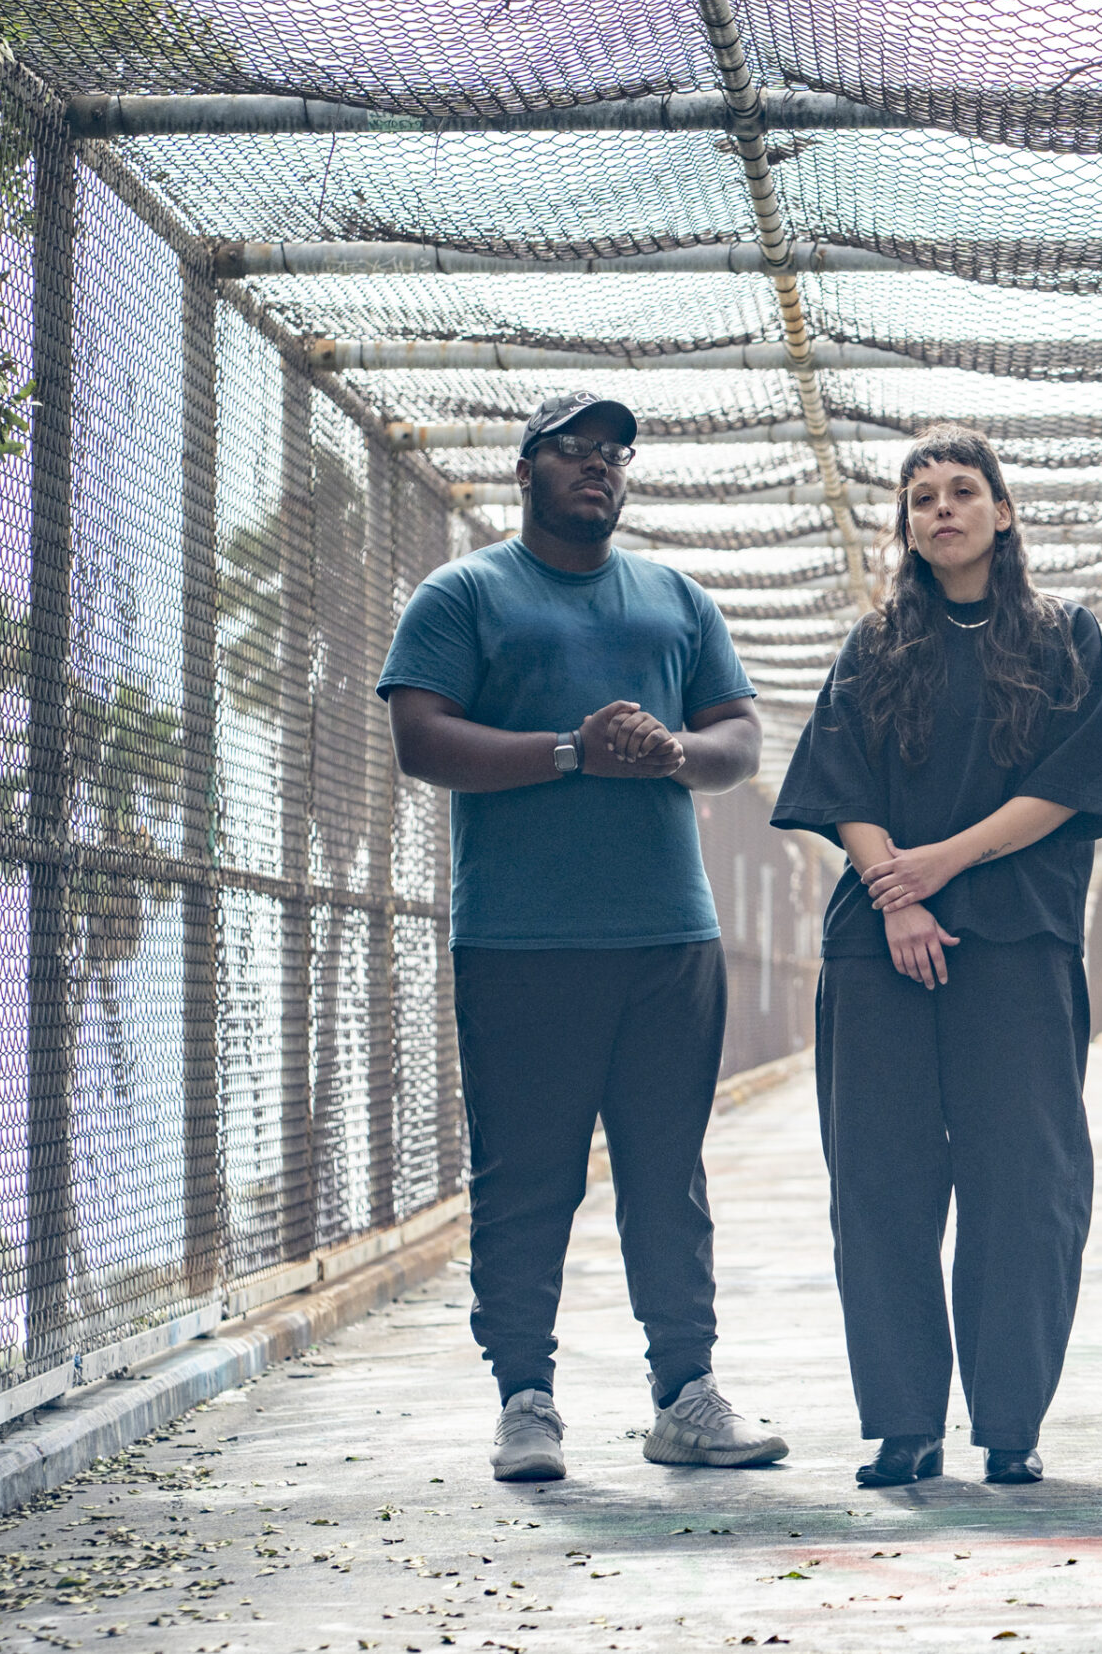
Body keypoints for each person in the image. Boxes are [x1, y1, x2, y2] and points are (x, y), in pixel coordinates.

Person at [377, 390, 789, 1483]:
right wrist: (571, 752)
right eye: (573, 450)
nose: (598, 467)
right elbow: (421, 738)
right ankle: (525, 1400)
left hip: (669, 937)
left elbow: (739, 739)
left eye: (614, 453)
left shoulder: (674, 597)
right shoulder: (465, 593)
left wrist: (669, 754)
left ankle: (686, 1396)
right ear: (525, 470)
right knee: (527, 1177)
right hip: (521, 940)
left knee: (668, 1172)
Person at [771, 424, 1102, 1490]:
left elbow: (1074, 784)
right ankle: (903, 1422)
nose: (941, 508)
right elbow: (840, 786)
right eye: (920, 495)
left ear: (1002, 511)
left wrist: (941, 865)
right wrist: (895, 892)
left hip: (1017, 944)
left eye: (963, 490)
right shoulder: (875, 642)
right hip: (879, 947)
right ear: (906, 524)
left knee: (1026, 1183)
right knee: (880, 1182)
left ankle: (1010, 1422)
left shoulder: (1063, 636)